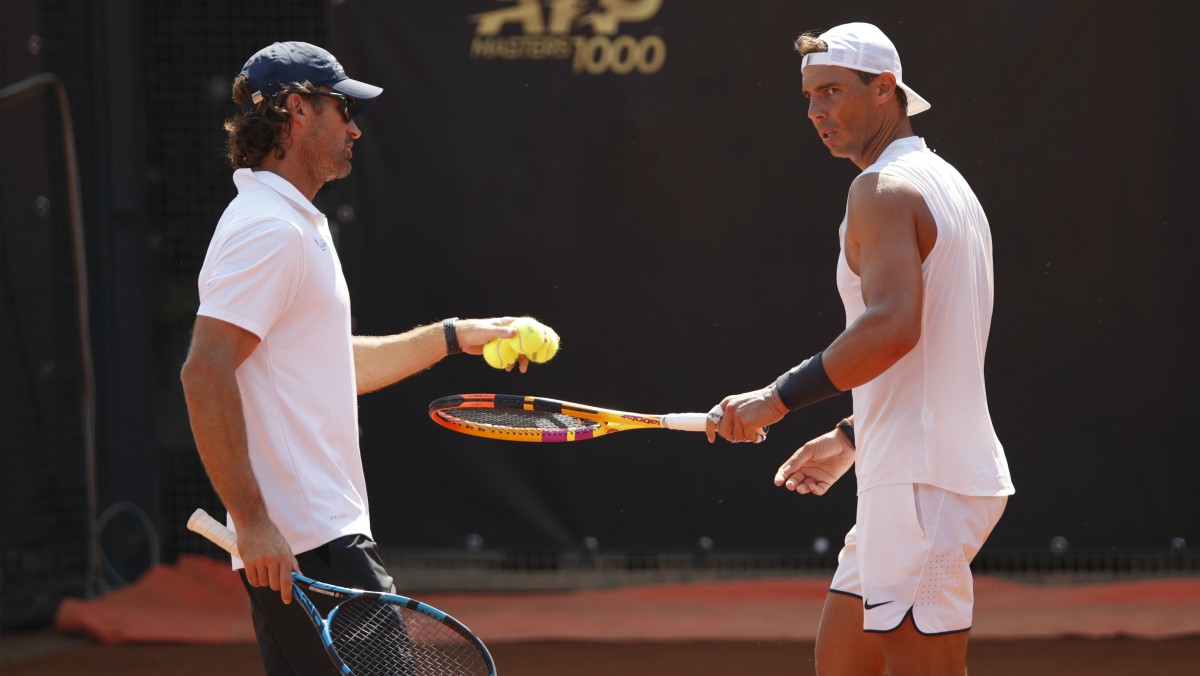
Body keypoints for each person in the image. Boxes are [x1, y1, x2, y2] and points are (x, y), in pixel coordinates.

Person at [179, 41, 531, 676]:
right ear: (296, 111)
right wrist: (255, 523)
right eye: (342, 107)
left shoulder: (295, 224)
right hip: (309, 546)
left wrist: (453, 336)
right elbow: (204, 371)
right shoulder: (268, 229)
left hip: (311, 541)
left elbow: (327, 368)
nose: (355, 126)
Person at [704, 23, 1014, 675]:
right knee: (842, 664)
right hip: (909, 468)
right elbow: (933, 348)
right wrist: (853, 435)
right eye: (810, 95)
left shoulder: (882, 189)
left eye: (834, 91)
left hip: (921, 482)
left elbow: (892, 330)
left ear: (885, 90)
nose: (817, 110)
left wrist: (774, 400)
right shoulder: (945, 183)